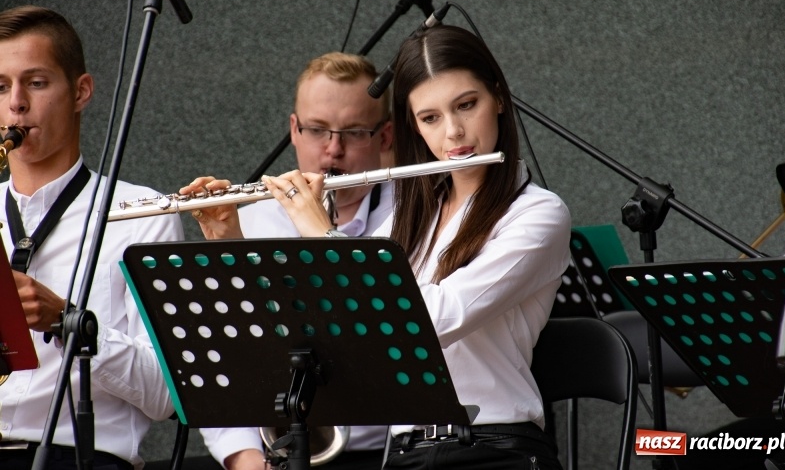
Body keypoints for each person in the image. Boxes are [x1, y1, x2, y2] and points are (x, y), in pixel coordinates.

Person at [262, 25, 572, 470]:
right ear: (415, 128)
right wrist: (225, 234)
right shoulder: (409, 216)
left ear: (499, 98)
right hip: (406, 452)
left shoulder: (538, 214)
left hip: (493, 450)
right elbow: (342, 321)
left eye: (466, 105)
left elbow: (431, 321)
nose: (454, 132)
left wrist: (320, 233)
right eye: (430, 118)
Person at [180, 52, 393, 470]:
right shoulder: (248, 222)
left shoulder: (412, 222)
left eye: (354, 132)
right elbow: (221, 358)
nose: (333, 149)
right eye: (316, 130)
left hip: (385, 456)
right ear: (293, 130)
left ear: (385, 137)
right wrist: (245, 461)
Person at [0, 5, 184, 470]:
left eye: (36, 83)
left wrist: (69, 322)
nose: (16, 103)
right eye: (0, 87)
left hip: (82, 458)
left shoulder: (142, 213)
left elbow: (165, 394)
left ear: (81, 92)